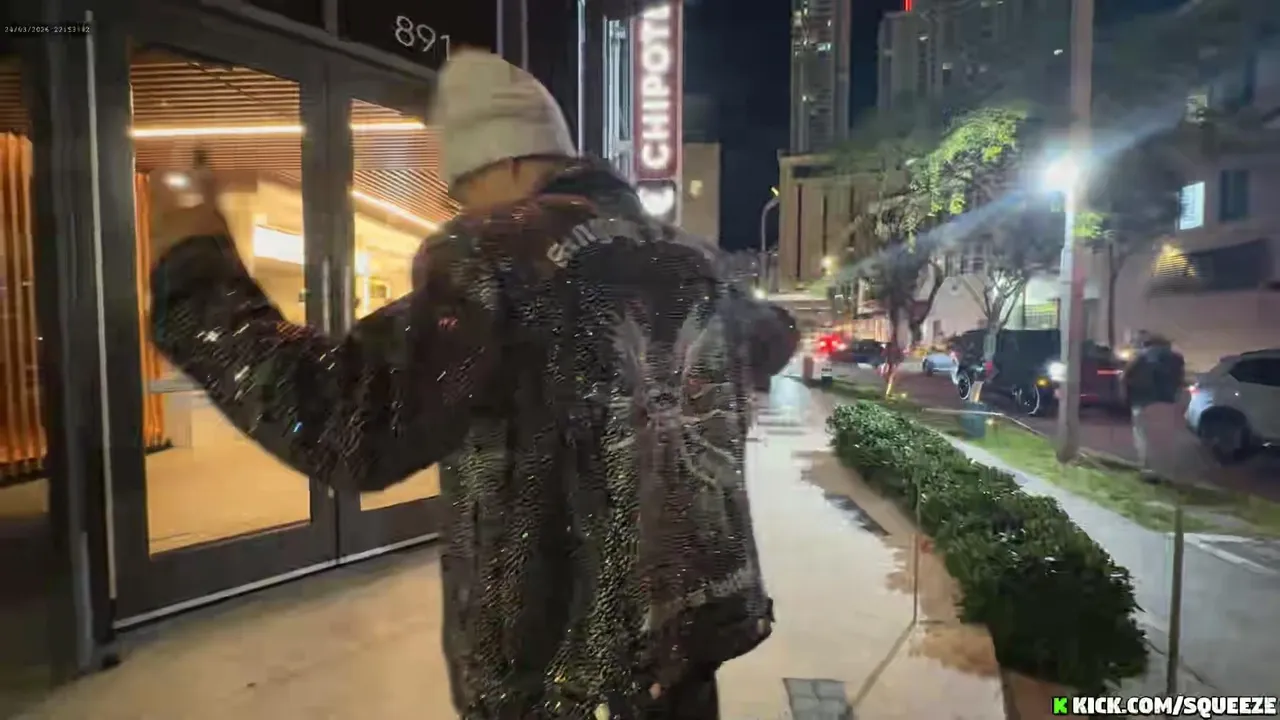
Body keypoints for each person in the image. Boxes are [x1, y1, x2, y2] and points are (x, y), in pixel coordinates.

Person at [147, 49, 797, 719]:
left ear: (507, 160)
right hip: (684, 653)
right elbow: (773, 336)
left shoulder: (496, 253)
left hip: (556, 681)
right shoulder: (698, 263)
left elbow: (350, 419)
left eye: (462, 187)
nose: (460, 206)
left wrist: (196, 277)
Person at [1122, 330, 1186, 482]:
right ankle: (1167, 472)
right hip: (1168, 403)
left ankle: (1148, 471)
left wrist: (1127, 398)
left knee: (1144, 438)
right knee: (1165, 439)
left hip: (1143, 403)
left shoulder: (1140, 358)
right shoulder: (1176, 359)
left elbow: (1126, 378)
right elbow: (1180, 380)